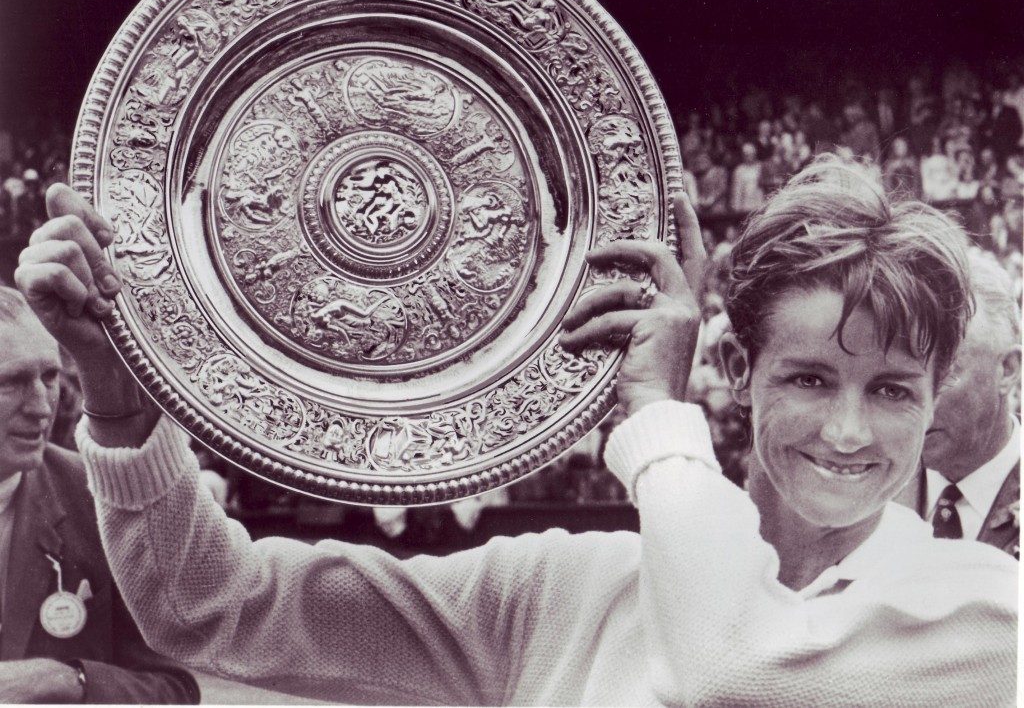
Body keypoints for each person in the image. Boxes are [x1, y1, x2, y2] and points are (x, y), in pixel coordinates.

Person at [14, 169, 1016, 706]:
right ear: (737, 372)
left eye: (892, 388)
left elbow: (727, 670)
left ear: (933, 402)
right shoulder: (561, 590)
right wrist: (114, 389)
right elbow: (212, 607)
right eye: (808, 376)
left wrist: (657, 417)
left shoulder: (985, 611)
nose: (850, 430)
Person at [0, 286, 199, 704]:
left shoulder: (99, 499)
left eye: (50, 376)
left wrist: (70, 681)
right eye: (10, 382)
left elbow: (174, 691)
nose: (41, 406)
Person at [897, 248, 1020, 557]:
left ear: (1008, 370)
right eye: (900, 377)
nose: (916, 400)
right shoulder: (866, 494)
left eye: (944, 373)